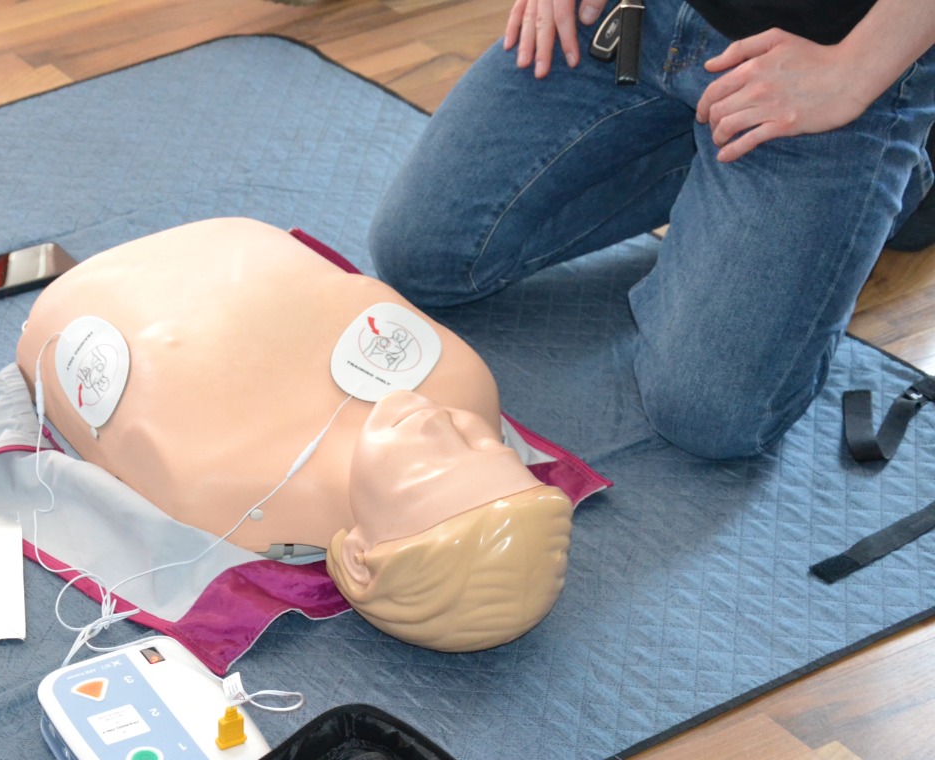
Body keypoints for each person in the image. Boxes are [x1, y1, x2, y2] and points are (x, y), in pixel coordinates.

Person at [369, 0, 935, 460]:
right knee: (422, 254)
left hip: (827, 51)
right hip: (640, 14)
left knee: (707, 415)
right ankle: (710, 170)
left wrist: (855, 71)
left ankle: (888, 179)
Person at [17, 217, 573, 653]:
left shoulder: (218, 477)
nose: (442, 422)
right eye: (489, 445)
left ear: (358, 557)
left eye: (435, 470)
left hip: (90, 293)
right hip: (238, 241)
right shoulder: (463, 385)